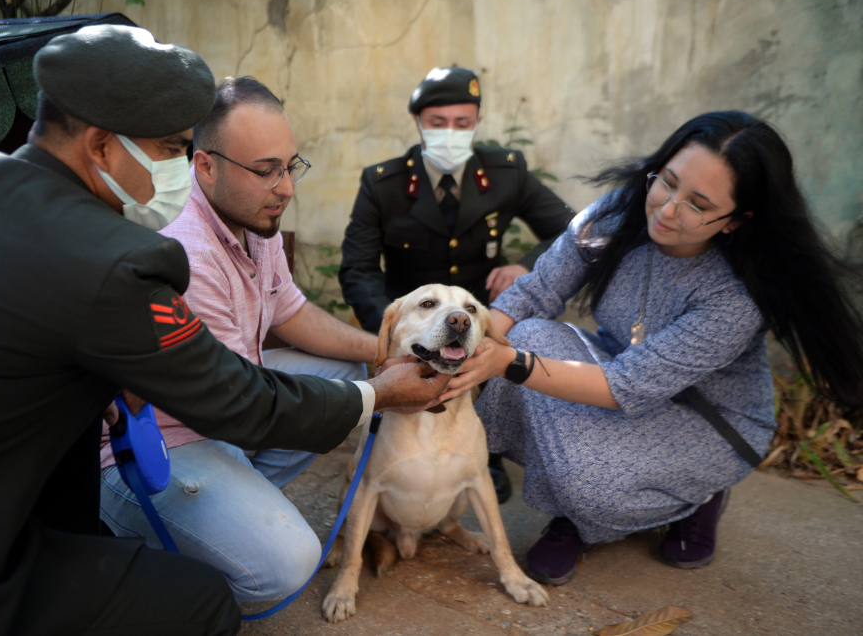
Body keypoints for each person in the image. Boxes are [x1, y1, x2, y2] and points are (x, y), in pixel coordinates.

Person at [0, 25, 449, 636]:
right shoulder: (115, 258)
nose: (179, 171)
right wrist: (380, 394)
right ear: (101, 147)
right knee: (202, 604)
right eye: (170, 150)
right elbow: (240, 401)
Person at [439, 111, 863, 586]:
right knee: (518, 339)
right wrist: (465, 347)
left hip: (709, 423)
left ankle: (691, 495)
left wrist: (507, 363)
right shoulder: (619, 212)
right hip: (620, 370)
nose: (666, 209)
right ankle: (573, 510)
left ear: (736, 220)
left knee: (562, 438)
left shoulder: (736, 295)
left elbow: (626, 386)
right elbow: (533, 293)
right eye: (668, 182)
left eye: (698, 204)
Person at [99, 76, 379, 602]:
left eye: (291, 165)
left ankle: (234, 503)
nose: (287, 187)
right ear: (205, 165)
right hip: (159, 440)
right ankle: (134, 536)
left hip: (228, 404)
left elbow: (290, 310)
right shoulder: (185, 249)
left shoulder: (252, 214)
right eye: (266, 170)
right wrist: (385, 394)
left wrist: (385, 352)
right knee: (286, 567)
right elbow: (239, 403)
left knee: (352, 373)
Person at [338, 65, 576, 502]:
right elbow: (358, 268)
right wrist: (391, 329)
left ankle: (489, 452)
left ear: (477, 123)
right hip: (419, 318)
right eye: (438, 123)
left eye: (462, 124)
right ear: (418, 123)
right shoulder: (383, 184)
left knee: (508, 332)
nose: (451, 133)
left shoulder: (505, 172)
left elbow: (571, 232)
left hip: (482, 308)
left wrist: (525, 265)